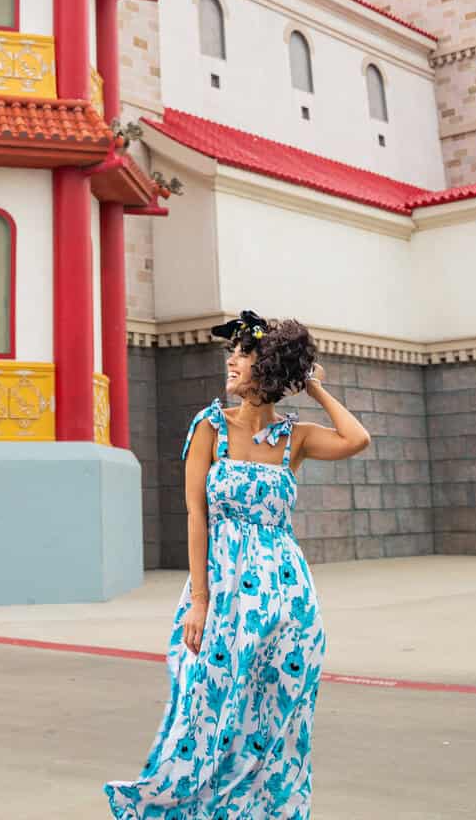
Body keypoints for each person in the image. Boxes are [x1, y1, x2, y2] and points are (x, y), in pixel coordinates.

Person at [105, 310, 371, 818]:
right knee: (204, 712)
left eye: (244, 355)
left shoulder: (297, 438)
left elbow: (357, 439)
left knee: (277, 720)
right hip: (223, 594)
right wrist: (199, 601)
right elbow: (196, 515)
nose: (232, 361)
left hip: (287, 601)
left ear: (268, 369)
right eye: (234, 353)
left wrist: (313, 388)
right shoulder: (210, 427)